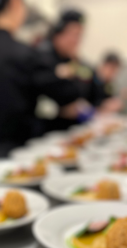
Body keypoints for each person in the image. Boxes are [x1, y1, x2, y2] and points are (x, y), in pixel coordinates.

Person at [0, 0, 80, 156]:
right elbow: (68, 95)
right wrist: (62, 74)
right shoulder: (24, 55)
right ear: (15, 4)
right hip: (15, 152)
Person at [35, 9, 94, 132]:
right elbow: (37, 93)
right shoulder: (42, 55)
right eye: (73, 34)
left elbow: (82, 89)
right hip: (45, 131)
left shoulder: (72, 60)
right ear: (58, 33)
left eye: (79, 36)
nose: (76, 41)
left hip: (71, 128)